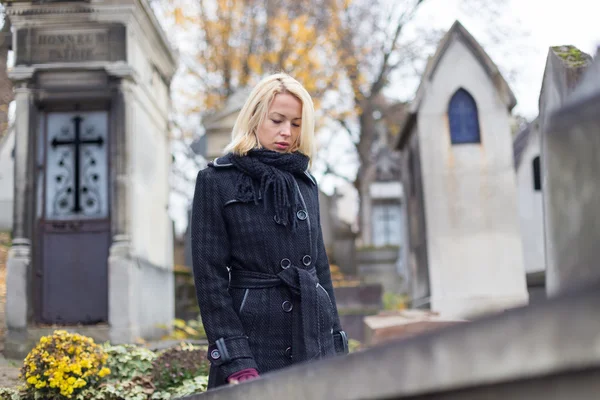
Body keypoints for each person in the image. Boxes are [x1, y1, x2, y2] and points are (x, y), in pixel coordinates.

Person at [191, 73, 348, 389]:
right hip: (254, 341)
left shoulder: (306, 184)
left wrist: (335, 344)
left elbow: (319, 270)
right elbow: (210, 280)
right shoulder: (216, 182)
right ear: (254, 117)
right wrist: (237, 360)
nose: (286, 132)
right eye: (277, 120)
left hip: (311, 336)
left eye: (296, 123)